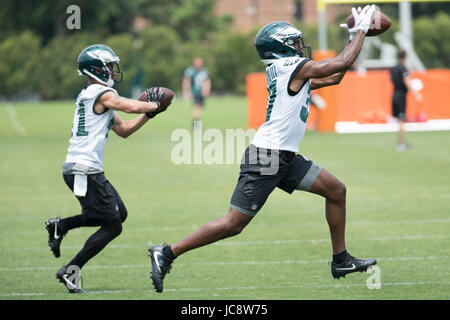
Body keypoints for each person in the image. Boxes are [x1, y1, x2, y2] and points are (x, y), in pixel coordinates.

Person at [148, 5, 378, 293]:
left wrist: (357, 36)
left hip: (284, 156)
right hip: (267, 158)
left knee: (336, 190)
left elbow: (335, 75)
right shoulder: (287, 67)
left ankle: (340, 259)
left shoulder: (286, 70)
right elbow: (339, 64)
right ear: (281, 49)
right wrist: (360, 31)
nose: (299, 47)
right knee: (233, 224)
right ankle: (166, 253)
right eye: (294, 43)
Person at [45, 44, 168, 293]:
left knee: (117, 214)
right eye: (109, 66)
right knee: (112, 225)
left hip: (87, 169)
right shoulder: (100, 93)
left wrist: (149, 116)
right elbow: (129, 105)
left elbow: (123, 130)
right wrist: (155, 105)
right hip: (83, 169)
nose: (113, 70)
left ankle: (62, 226)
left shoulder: (99, 96)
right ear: (97, 69)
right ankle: (71, 270)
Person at [390, 49, 422, 151]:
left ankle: (400, 141)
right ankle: (401, 143)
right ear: (405, 57)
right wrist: (416, 94)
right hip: (401, 96)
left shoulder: (393, 68)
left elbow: (392, 80)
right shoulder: (403, 68)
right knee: (401, 120)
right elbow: (407, 81)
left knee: (399, 120)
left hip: (394, 94)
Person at [182, 57, 211, 127]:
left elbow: (207, 81)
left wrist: (207, 90)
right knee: (197, 107)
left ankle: (195, 122)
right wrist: (187, 92)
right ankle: (196, 123)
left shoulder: (204, 71)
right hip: (194, 92)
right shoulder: (190, 71)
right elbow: (186, 81)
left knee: (199, 107)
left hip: (201, 93)